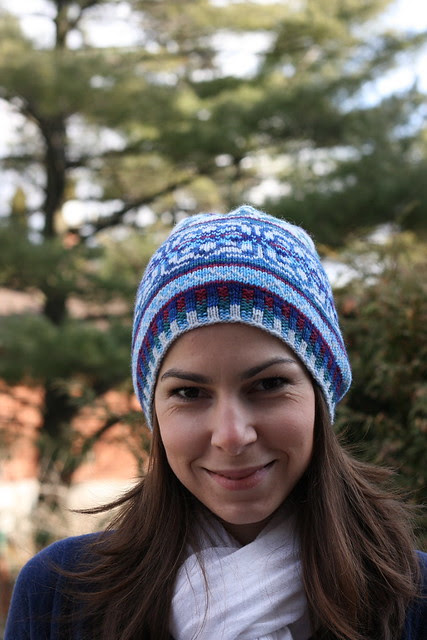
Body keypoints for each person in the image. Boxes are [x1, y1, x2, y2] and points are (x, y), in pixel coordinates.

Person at [5, 206, 426, 640]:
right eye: (189, 393)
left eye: (268, 384)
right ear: (154, 409)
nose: (231, 436)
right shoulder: (58, 596)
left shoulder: (412, 599)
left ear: (320, 395)